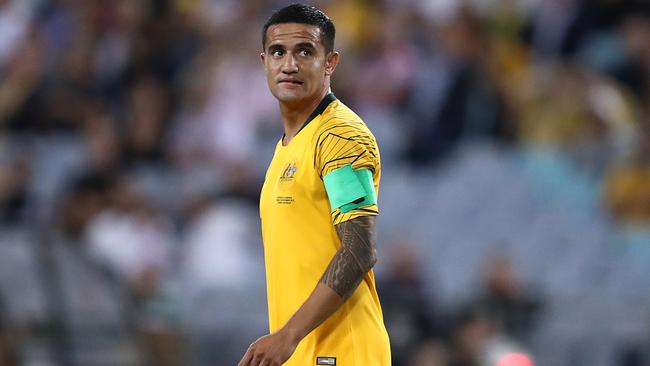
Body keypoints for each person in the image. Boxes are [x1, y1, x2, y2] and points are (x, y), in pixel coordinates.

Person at [238, 4, 391, 366]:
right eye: (278, 52)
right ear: (264, 62)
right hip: (305, 351)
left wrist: (288, 335)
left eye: (305, 51)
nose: (289, 64)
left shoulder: (340, 137)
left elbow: (359, 249)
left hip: (343, 351)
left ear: (330, 62)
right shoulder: (287, 147)